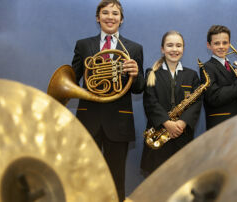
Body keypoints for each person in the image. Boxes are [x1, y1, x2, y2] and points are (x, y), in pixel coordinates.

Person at [71, 0, 144, 201]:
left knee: (116, 177)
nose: (110, 17)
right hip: (89, 117)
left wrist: (136, 74)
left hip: (119, 120)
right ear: (98, 17)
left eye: (115, 14)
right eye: (105, 13)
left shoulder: (134, 48)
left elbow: (138, 89)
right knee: (86, 175)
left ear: (121, 20)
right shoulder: (84, 45)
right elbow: (72, 79)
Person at [140, 31, 202, 176]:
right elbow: (150, 101)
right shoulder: (151, 73)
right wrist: (167, 123)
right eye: (170, 45)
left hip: (182, 135)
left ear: (183, 49)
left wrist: (183, 123)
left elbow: (196, 102)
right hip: (158, 135)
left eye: (178, 46)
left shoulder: (192, 75)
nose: (174, 49)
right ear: (162, 49)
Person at [200, 25, 237, 130]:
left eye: (225, 43)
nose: (221, 46)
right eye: (217, 43)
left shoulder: (232, 67)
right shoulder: (206, 67)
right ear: (209, 45)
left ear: (229, 44)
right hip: (220, 125)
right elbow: (213, 97)